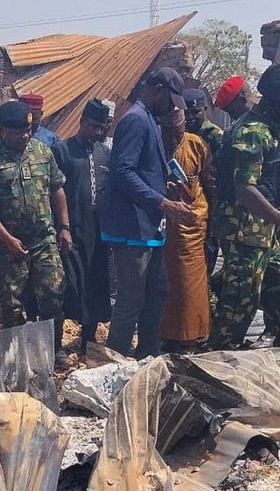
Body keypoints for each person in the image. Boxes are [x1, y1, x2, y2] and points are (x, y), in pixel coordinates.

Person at [209, 63, 280, 350]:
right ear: (276, 98)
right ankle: (218, 356)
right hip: (241, 229)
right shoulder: (252, 132)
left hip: (267, 227)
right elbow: (245, 190)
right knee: (241, 299)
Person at [0, 100, 74, 370]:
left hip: (44, 240)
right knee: (12, 305)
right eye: (19, 132)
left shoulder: (42, 151)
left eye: (28, 130)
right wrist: (6, 239)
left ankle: (54, 349)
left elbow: (57, 189)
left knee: (53, 294)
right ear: (2, 129)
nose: (26, 136)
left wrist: (64, 227)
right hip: (8, 245)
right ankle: (15, 358)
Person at [100, 66, 195, 359]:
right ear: (157, 90)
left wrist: (165, 186)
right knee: (131, 299)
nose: (171, 107)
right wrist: (163, 203)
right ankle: (115, 362)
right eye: (170, 99)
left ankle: (147, 355)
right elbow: (123, 172)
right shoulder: (135, 120)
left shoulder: (151, 120)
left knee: (158, 291)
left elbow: (142, 169)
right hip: (132, 227)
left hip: (150, 226)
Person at [52, 98, 113, 349]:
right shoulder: (63, 150)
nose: (96, 132)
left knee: (97, 282)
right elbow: (54, 191)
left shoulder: (105, 153)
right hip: (72, 231)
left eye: (101, 128)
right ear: (81, 122)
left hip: (99, 232)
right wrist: (62, 228)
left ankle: (88, 339)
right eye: (92, 127)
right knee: (70, 285)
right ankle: (57, 344)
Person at [159, 107, 212, 351]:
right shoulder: (154, 145)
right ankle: (165, 334)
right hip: (161, 224)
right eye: (168, 134)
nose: (172, 140)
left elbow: (209, 182)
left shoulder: (196, 144)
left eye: (176, 134)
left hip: (190, 223)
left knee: (189, 284)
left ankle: (190, 337)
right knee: (163, 282)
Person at [184, 88, 224, 160]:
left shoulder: (215, 135)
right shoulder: (182, 133)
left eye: (196, 112)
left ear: (205, 109)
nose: (190, 117)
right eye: (186, 113)